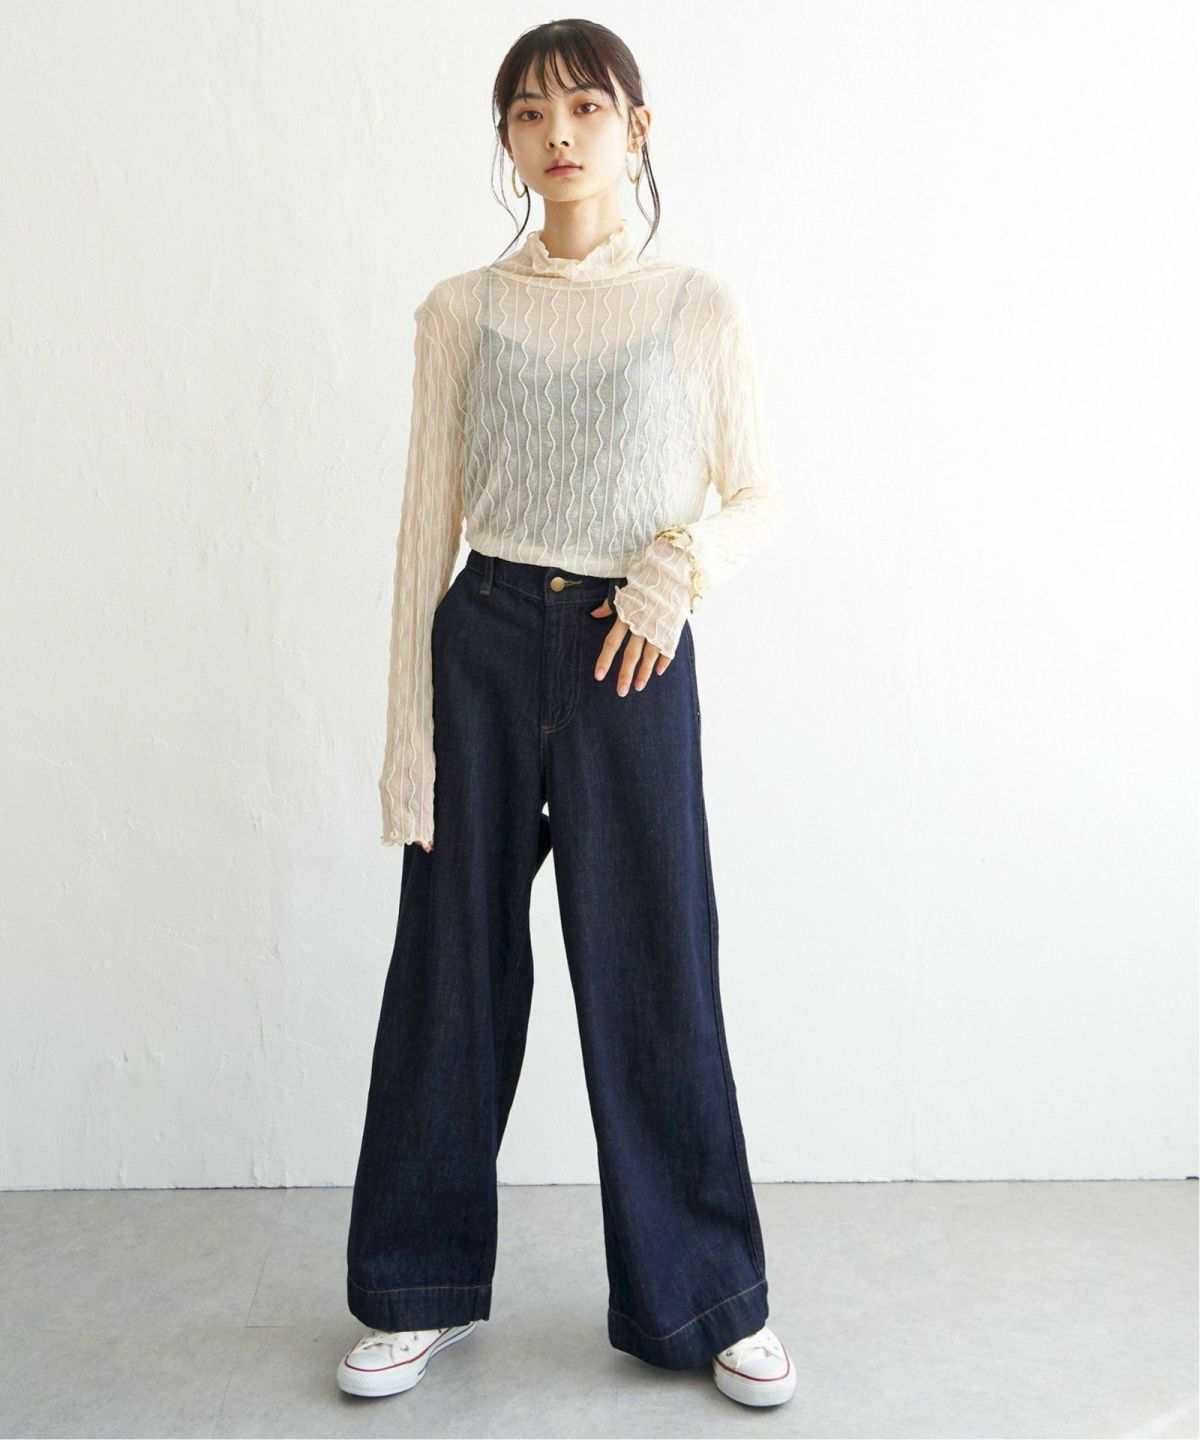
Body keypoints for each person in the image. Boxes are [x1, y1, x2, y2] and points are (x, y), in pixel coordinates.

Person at [337, 19, 795, 1410]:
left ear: (636, 128)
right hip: (480, 643)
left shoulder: (698, 308)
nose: (558, 134)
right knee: (451, 975)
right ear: (507, 139)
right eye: (530, 113)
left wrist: (675, 572)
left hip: (628, 658)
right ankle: (414, 1289)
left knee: (656, 971)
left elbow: (759, 495)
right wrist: (407, 740)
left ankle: (705, 1297)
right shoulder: (459, 310)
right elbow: (424, 530)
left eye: (586, 107)